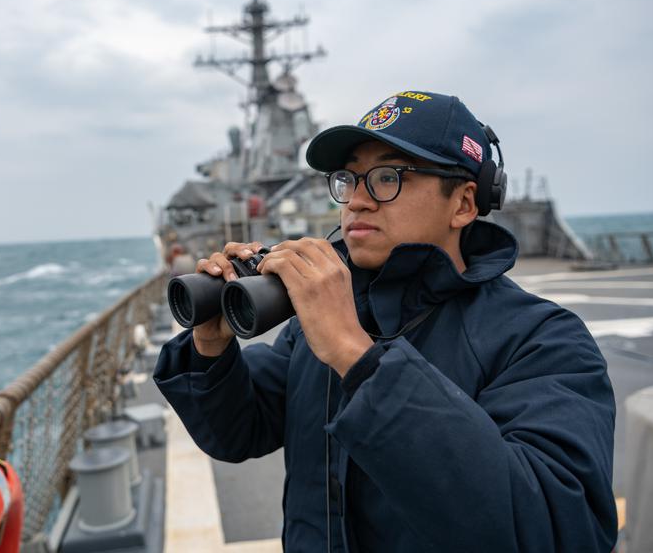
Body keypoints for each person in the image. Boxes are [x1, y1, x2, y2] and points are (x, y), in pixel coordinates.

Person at [153, 90, 617, 552]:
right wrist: (210, 347)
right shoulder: (318, 325)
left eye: (387, 177)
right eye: (349, 179)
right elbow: (239, 432)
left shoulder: (542, 340)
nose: (357, 200)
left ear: (463, 204)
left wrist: (358, 357)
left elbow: (559, 529)